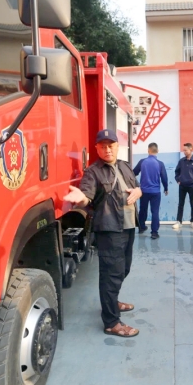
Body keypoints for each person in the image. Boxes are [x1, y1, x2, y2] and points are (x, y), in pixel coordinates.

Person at [64, 129, 143, 338]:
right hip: (109, 229)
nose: (107, 149)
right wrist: (81, 198)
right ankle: (111, 322)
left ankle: (112, 302)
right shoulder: (93, 172)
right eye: (103, 146)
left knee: (124, 268)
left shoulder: (125, 166)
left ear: (117, 146)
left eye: (111, 145)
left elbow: (136, 187)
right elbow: (87, 195)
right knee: (111, 275)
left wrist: (138, 191)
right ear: (97, 149)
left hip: (128, 226)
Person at [133, 142, 169, 240]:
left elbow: (133, 173)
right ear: (157, 151)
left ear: (148, 150)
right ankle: (154, 233)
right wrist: (166, 188)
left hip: (144, 191)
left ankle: (141, 227)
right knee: (155, 211)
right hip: (155, 192)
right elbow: (164, 178)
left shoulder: (142, 162)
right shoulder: (160, 164)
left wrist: (135, 185)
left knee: (143, 209)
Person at [173, 143, 193, 230]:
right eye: (183, 150)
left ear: (191, 149)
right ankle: (179, 221)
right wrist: (178, 180)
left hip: (192, 186)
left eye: (186, 150)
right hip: (182, 186)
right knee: (180, 204)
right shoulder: (181, 161)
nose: (184, 152)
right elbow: (176, 172)